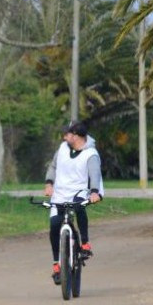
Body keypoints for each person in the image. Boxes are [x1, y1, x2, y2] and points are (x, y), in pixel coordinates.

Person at [44, 121, 103, 282]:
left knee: (79, 207)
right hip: (60, 193)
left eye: (68, 134)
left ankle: (85, 243)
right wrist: (49, 183)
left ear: (76, 136)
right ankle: (57, 263)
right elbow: (53, 166)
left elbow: (95, 174)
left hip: (80, 191)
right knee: (55, 225)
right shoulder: (63, 149)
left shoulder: (90, 153)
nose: (64, 137)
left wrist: (95, 192)